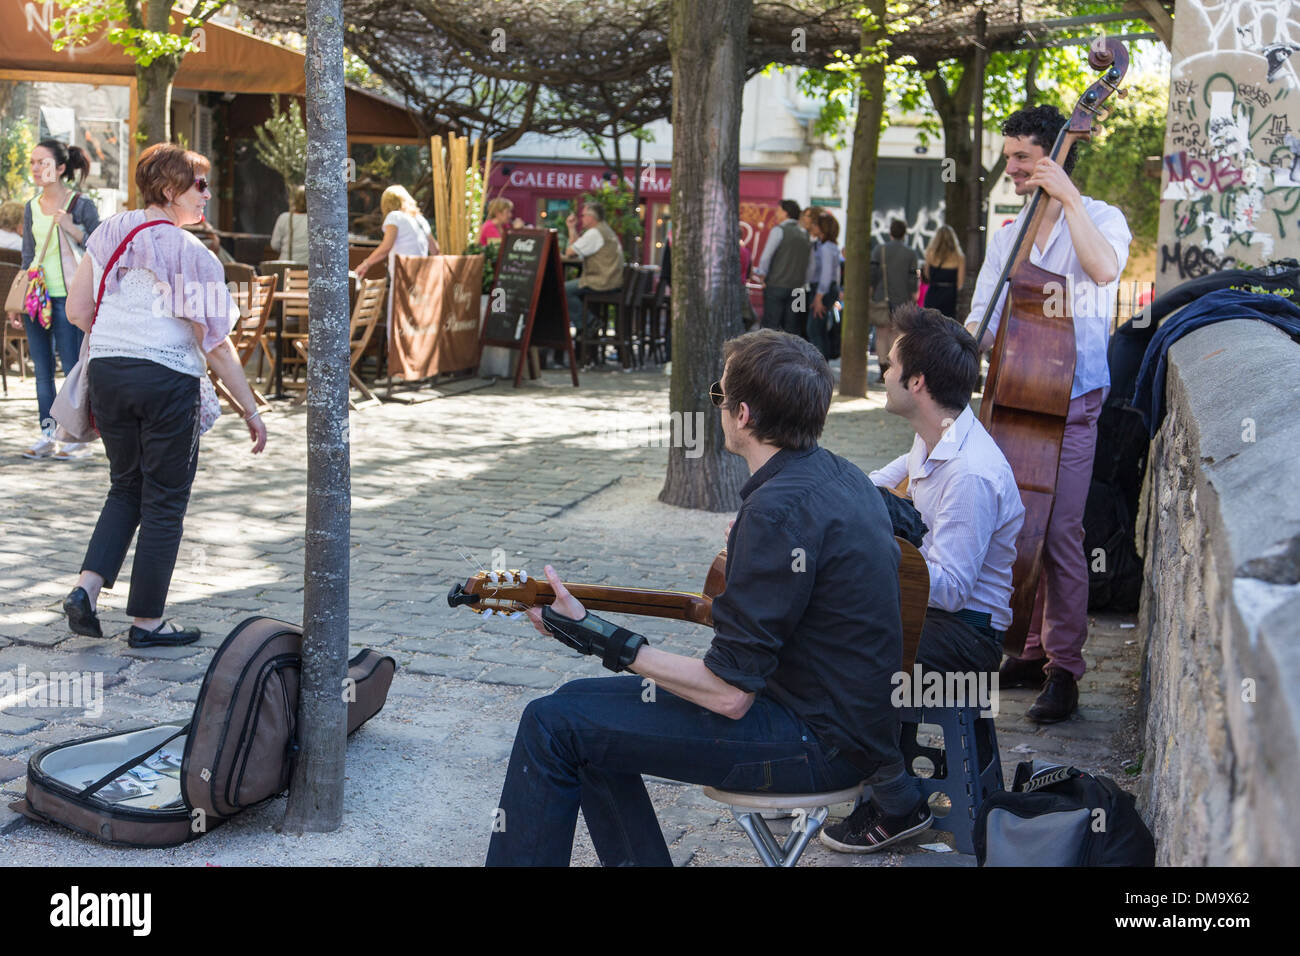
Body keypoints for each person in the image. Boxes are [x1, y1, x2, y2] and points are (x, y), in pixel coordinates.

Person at [485, 330, 933, 866]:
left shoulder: (775, 512)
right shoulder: (842, 475)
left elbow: (728, 695)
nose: (717, 407)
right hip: (844, 727)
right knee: (576, 707)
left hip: (814, 744)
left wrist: (592, 633)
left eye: (719, 396)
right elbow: (897, 531)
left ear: (742, 415)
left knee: (552, 724)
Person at [819, 304, 1024, 852]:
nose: (881, 372)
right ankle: (851, 774)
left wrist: (875, 550)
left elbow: (952, 588)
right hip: (932, 615)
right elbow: (871, 488)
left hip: (967, 635)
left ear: (917, 382)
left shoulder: (971, 473)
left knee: (843, 649)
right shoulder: (935, 438)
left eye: (889, 365)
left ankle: (897, 802)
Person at [59, 143, 268, 648]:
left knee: (125, 486)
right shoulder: (192, 255)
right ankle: (147, 623)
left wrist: (121, 337)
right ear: (171, 190)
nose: (207, 195)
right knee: (165, 501)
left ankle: (86, 590)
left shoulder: (110, 230)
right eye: (200, 186)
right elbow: (214, 345)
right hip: (165, 379)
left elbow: (78, 310)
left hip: (109, 371)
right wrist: (251, 408)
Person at [964, 105, 1132, 723]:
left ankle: (1065, 669)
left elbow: (1104, 269)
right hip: (1012, 403)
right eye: (1008, 156)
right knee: (1018, 528)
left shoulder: (1104, 220)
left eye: (1020, 158)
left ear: (1055, 157)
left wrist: (1070, 201)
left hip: (1075, 404)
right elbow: (980, 326)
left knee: (1060, 534)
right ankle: (1027, 650)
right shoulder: (1008, 237)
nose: (1008, 168)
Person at [7, 140, 100, 461]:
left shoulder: (81, 204)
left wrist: (73, 229)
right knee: (43, 371)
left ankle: (76, 435)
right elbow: (28, 256)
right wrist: (16, 302)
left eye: (42, 162)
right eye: (32, 162)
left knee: (73, 369)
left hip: (70, 299)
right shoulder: (32, 206)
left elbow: (101, 248)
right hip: (38, 298)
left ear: (61, 168)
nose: (35, 168)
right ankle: (47, 432)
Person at [560, 201, 624, 361]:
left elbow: (570, 252)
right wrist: (571, 228)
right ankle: (587, 325)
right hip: (611, 280)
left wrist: (571, 232)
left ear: (591, 217)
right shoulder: (604, 230)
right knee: (568, 289)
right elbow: (576, 249)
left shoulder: (595, 233)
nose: (581, 218)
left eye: (583, 215)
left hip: (601, 280)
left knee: (562, 290)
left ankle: (588, 323)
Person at [870, 219, 918, 381]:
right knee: (895, 335)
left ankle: (882, 368)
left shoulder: (880, 250)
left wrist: (872, 292)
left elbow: (873, 275)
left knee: (881, 334)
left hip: (881, 297)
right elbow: (912, 280)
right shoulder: (911, 254)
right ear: (904, 234)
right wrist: (913, 295)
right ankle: (892, 368)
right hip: (902, 298)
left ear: (890, 232)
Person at [754, 199, 811, 337]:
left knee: (770, 328)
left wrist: (762, 275)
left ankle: (769, 357)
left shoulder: (779, 230)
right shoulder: (806, 235)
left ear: (786, 213)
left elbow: (766, 256)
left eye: (778, 211)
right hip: (799, 289)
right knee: (794, 329)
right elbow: (810, 264)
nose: (776, 214)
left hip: (776, 286)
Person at [355, 184, 436, 279]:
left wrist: (365, 264)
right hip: (422, 277)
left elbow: (386, 247)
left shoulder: (395, 216)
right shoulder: (420, 219)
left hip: (403, 276)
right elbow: (435, 250)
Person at [805, 212, 840, 358]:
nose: (812, 226)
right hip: (824, 290)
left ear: (822, 227)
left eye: (815, 224)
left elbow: (826, 275)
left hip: (822, 291)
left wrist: (819, 297)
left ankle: (819, 364)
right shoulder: (826, 246)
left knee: (813, 329)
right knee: (817, 329)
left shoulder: (826, 248)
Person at [921, 224, 965, 320]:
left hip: (932, 293)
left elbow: (927, 276)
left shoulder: (930, 254)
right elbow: (960, 284)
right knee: (946, 327)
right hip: (949, 297)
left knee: (930, 326)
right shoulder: (959, 257)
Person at [270, 185, 309, 264]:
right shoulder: (314, 221)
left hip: (284, 266)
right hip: (306, 268)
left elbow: (275, 245)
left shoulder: (284, 217)